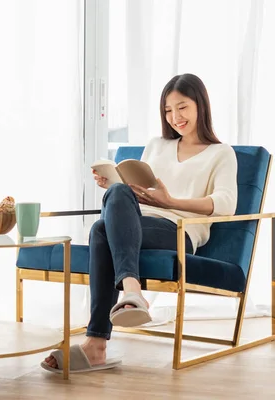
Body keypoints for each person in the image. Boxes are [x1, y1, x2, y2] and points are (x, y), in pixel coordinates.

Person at [41, 73, 238, 373]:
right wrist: (114, 184)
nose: (175, 117)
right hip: (136, 225)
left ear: (200, 104)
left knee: (99, 230)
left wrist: (169, 202)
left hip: (178, 232)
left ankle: (97, 342)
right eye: (168, 111)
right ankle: (130, 295)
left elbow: (224, 204)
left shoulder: (220, 153)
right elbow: (135, 190)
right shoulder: (157, 145)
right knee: (112, 205)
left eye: (182, 107)